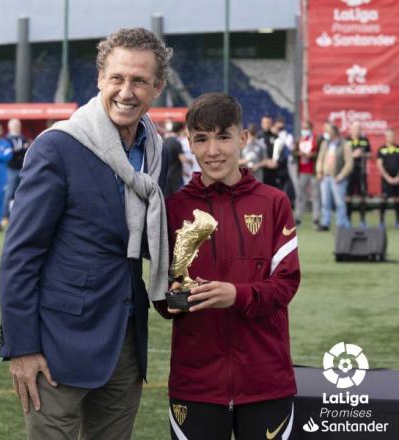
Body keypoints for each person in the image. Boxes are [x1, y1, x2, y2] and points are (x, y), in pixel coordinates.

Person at [0, 27, 170, 440]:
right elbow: (20, 255)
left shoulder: (154, 149)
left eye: (139, 81)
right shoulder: (58, 146)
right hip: (58, 343)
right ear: (100, 79)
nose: (126, 91)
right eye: (117, 78)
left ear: (157, 87)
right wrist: (22, 348)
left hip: (126, 340)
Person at [156, 92, 300, 439]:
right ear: (189, 142)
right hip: (196, 384)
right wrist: (173, 301)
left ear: (243, 138)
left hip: (266, 381)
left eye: (223, 136)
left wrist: (235, 294)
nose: (213, 150)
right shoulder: (173, 209)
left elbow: (286, 283)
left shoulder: (274, 203)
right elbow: (162, 295)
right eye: (202, 139)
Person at [316, 123, 353, 230]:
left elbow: (349, 163)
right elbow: (320, 159)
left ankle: (341, 223)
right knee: (325, 202)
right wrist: (319, 171)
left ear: (335, 132)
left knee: (340, 203)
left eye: (328, 131)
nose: (326, 133)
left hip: (337, 178)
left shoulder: (344, 144)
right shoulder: (325, 143)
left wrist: (341, 175)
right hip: (325, 177)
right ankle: (325, 222)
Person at [345, 121, 371, 227]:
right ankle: (348, 220)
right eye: (355, 128)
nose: (357, 130)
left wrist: (363, 153)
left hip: (361, 171)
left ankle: (362, 220)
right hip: (349, 172)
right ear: (351, 129)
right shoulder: (346, 140)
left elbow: (370, 154)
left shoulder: (364, 140)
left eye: (359, 128)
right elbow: (342, 155)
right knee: (348, 196)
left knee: (362, 197)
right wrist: (352, 154)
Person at [295, 120, 320, 228]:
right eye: (303, 128)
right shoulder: (299, 138)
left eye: (306, 128)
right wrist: (299, 153)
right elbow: (294, 151)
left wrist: (312, 155)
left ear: (310, 128)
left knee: (315, 196)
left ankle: (316, 219)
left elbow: (320, 153)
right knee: (300, 195)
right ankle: (298, 218)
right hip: (302, 171)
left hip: (313, 171)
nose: (304, 130)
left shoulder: (316, 139)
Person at [4, 118, 30, 219]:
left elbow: (27, 150)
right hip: (11, 168)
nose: (17, 128)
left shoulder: (23, 138)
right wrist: (21, 149)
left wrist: (18, 150)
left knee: (22, 192)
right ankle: (5, 216)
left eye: (18, 125)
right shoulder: (6, 139)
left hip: (22, 168)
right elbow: (10, 152)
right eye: (15, 126)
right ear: (10, 127)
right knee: (9, 192)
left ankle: (20, 215)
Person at [376, 128, 399, 228]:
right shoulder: (381, 149)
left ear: (394, 137)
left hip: (397, 178)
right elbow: (379, 164)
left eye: (392, 136)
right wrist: (387, 177)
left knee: (397, 200)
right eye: (388, 136)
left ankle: (397, 222)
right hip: (386, 178)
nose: (390, 138)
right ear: (386, 137)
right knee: (383, 199)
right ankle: (381, 222)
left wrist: (398, 177)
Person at [163, 120, 185, 196]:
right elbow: (182, 159)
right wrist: (190, 161)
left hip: (166, 172)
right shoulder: (176, 142)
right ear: (180, 130)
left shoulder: (165, 140)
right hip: (176, 174)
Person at [258, 115, 279, 188]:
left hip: (273, 171)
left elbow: (280, 153)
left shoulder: (276, 137)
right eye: (265, 123)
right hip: (260, 170)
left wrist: (276, 162)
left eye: (268, 123)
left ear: (271, 124)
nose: (266, 125)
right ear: (261, 123)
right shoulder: (258, 137)